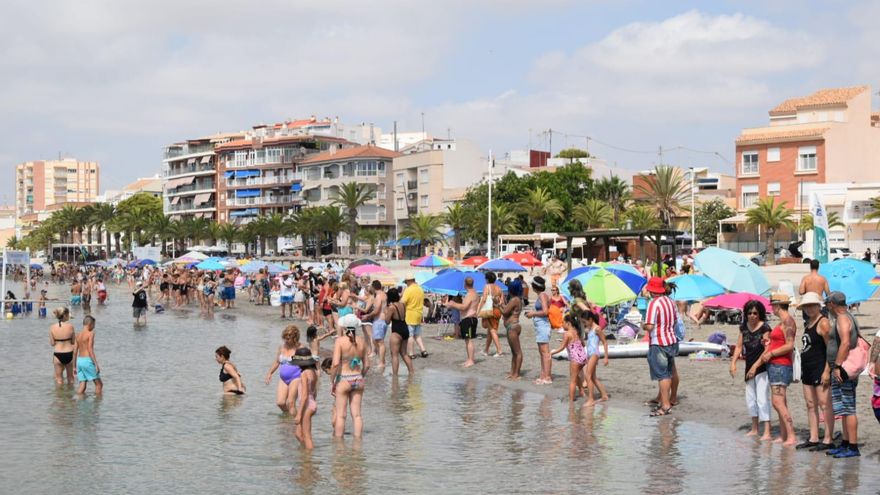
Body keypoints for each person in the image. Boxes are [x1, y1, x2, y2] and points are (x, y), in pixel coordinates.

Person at [795, 292, 835, 451]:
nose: (809, 309)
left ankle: (828, 439)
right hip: (808, 369)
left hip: (820, 368)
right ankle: (813, 437)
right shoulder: (808, 323)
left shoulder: (823, 322)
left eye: (812, 305)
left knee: (825, 404)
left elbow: (831, 349)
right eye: (807, 306)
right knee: (811, 404)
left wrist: (827, 371)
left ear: (819, 306)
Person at [825, 291, 862, 458]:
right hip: (844, 368)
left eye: (827, 304)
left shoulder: (842, 318)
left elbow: (846, 342)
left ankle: (853, 447)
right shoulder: (848, 315)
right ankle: (846, 443)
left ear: (832, 304)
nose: (826, 307)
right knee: (844, 408)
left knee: (848, 407)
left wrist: (838, 366)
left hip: (844, 368)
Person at [732, 299, 772, 439]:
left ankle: (767, 431)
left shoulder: (765, 328)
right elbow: (738, 346)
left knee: (762, 398)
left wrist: (755, 367)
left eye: (755, 313)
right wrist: (733, 363)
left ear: (760, 313)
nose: (752, 316)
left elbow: (767, 350)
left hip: (762, 368)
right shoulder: (744, 328)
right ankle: (754, 428)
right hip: (748, 367)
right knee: (750, 399)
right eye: (749, 313)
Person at [761, 293, 797, 445]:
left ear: (777, 306)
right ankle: (784, 435)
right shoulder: (783, 321)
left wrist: (771, 353)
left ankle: (791, 435)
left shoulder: (788, 321)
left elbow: (789, 345)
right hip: (777, 364)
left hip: (780, 365)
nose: (772, 308)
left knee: (777, 402)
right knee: (781, 401)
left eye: (773, 305)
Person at [642, 277, 679, 417]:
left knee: (662, 375)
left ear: (652, 290)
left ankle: (665, 405)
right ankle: (666, 400)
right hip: (671, 340)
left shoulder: (653, 304)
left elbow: (650, 326)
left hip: (659, 342)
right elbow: (675, 321)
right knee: (669, 372)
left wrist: (643, 325)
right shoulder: (670, 301)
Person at [331, 314, 369, 438]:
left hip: (344, 379)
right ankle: (358, 445)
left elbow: (336, 364)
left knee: (341, 415)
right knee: (357, 415)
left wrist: (332, 381)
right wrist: (361, 376)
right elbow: (367, 365)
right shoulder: (362, 341)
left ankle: (339, 446)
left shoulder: (340, 341)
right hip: (358, 378)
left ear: (344, 327)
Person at [264, 325, 303, 412]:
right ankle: (289, 419)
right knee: (280, 403)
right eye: (285, 337)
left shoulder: (300, 348)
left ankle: (295, 422)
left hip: (296, 377)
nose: (286, 340)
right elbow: (277, 362)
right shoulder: (282, 347)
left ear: (295, 338)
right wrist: (270, 373)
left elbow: (309, 364)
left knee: (290, 402)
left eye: (288, 338)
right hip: (283, 379)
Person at [550, 314, 588, 402]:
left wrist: (552, 352)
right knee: (576, 375)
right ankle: (582, 392)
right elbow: (583, 344)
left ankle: (571, 401)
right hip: (583, 358)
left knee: (572, 380)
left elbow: (562, 347)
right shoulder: (577, 331)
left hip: (575, 359)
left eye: (563, 323)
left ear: (568, 323)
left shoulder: (567, 334)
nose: (562, 325)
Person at [444, 276, 479, 368]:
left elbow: (464, 307)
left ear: (465, 284)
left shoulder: (470, 294)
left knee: (469, 340)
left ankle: (471, 360)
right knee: (467, 340)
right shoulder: (474, 293)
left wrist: (453, 304)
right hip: (469, 318)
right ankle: (469, 359)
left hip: (469, 319)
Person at [525, 276, 553, 385]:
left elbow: (546, 312)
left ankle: (547, 377)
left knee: (545, 352)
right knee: (542, 352)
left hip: (543, 325)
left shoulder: (542, 295)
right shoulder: (542, 295)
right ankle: (543, 374)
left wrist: (533, 313)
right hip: (540, 325)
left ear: (534, 286)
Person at [384, 288, 414, 375]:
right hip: (405, 328)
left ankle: (395, 376)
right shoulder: (403, 305)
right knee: (404, 353)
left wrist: (386, 312)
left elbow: (387, 321)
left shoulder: (391, 307)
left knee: (394, 354)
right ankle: (411, 372)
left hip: (396, 330)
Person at [292, 348, 318, 449]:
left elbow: (304, 395)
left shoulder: (304, 374)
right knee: (298, 434)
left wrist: (299, 414)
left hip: (307, 405)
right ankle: (305, 456)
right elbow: (314, 392)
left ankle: (309, 461)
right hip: (311, 404)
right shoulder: (313, 372)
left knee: (307, 436)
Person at [401, 273, 428, 359]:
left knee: (410, 335)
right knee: (417, 335)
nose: (406, 284)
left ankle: (411, 353)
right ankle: (423, 350)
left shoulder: (408, 290)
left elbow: (402, 302)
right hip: (419, 314)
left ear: (409, 281)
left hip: (410, 314)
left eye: (406, 282)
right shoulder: (420, 289)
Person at [74, 315, 103, 395]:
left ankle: (78, 402)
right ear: (90, 324)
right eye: (94, 325)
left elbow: (75, 351)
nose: (94, 327)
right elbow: (90, 349)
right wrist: (96, 364)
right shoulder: (91, 333)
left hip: (79, 361)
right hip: (87, 360)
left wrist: (74, 366)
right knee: (99, 384)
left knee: (82, 384)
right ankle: (97, 405)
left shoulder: (77, 335)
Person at [501, 279, 524, 380]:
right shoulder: (516, 299)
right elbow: (506, 309)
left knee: (517, 352)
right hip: (512, 327)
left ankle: (516, 374)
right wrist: (500, 304)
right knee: (514, 352)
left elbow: (505, 311)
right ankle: (512, 372)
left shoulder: (515, 299)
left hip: (513, 327)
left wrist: (497, 305)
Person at [49, 307, 76, 386]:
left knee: (59, 379)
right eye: (68, 314)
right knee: (71, 378)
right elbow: (73, 341)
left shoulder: (52, 327)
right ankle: (70, 397)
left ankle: (59, 398)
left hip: (58, 354)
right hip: (69, 353)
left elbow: (52, 343)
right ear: (64, 315)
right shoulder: (70, 326)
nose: (69, 316)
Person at [479, 272, 504, 357]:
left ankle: (499, 350)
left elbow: (484, 299)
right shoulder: (499, 288)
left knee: (492, 331)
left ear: (487, 279)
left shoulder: (487, 287)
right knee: (490, 331)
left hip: (490, 311)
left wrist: (479, 310)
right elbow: (502, 301)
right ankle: (486, 350)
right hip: (497, 311)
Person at [798, 259, 830, 324]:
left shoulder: (806, 278)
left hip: (808, 302)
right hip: (819, 302)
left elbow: (801, 291)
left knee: (809, 324)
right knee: (821, 322)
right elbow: (828, 293)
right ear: (818, 267)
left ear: (810, 267)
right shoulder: (823, 278)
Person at [364, 281, 387, 368]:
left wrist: (368, 316)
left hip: (379, 320)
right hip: (383, 320)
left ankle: (382, 362)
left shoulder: (378, 296)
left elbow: (376, 310)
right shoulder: (384, 294)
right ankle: (381, 359)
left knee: (380, 342)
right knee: (375, 340)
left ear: (373, 287)